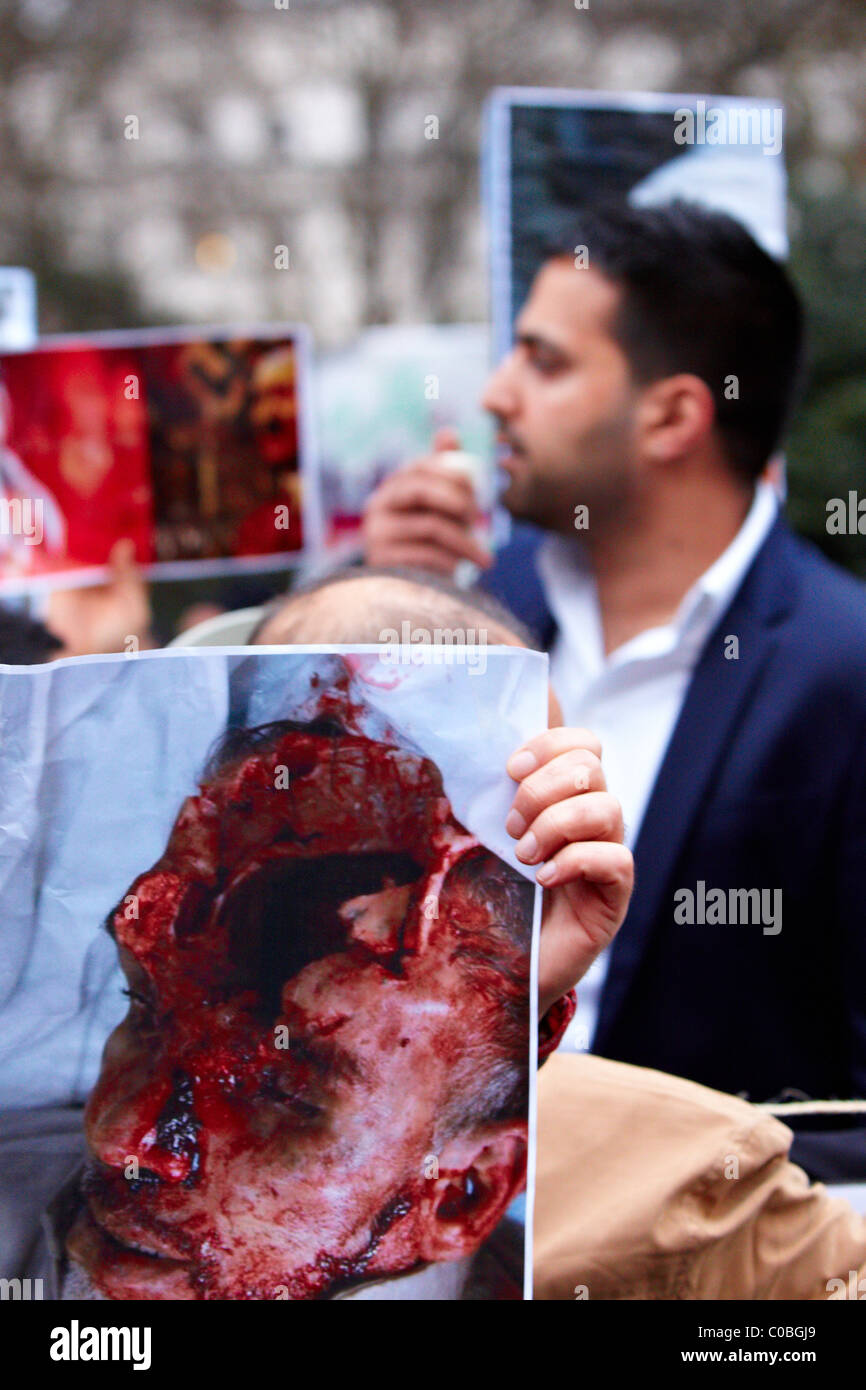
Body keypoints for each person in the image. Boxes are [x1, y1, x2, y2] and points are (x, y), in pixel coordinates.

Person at [362, 201, 866, 1179]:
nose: (495, 394)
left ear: (673, 413)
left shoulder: (840, 664)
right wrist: (371, 611)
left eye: (543, 362)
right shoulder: (472, 613)